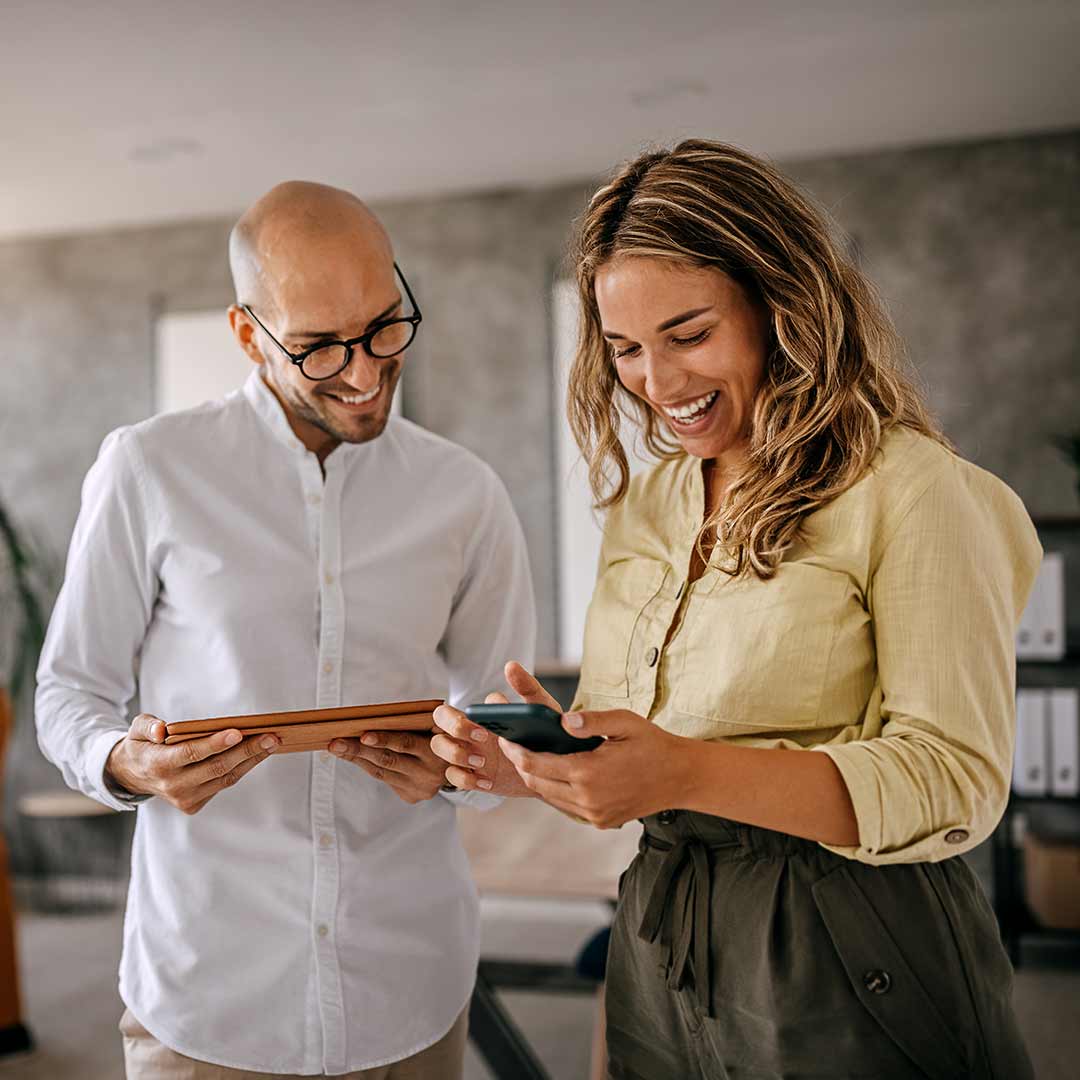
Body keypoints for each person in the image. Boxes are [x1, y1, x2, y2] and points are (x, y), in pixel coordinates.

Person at [432, 140, 1039, 1078]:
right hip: (662, 932)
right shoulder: (647, 502)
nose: (657, 383)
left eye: (689, 334)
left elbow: (954, 780)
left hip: (852, 940)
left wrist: (681, 772)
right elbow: (648, 748)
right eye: (626, 348)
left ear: (778, 305)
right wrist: (542, 767)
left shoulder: (912, 489)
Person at [35, 181, 536, 1079]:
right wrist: (126, 762)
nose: (364, 369)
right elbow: (71, 691)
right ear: (246, 334)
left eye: (386, 325)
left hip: (410, 987)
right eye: (316, 347)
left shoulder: (466, 494)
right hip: (211, 996)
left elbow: (501, 713)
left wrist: (467, 767)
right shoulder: (149, 468)